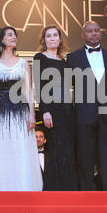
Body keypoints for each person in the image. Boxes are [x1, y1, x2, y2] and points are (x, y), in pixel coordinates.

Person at [0, 26, 42, 191]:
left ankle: (23, 188)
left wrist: (31, 114)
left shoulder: (23, 63)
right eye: (10, 35)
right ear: (1, 39)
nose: (14, 37)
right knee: (0, 151)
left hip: (20, 114)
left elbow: (29, 91)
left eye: (15, 35)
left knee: (20, 149)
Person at [67, 21, 107, 191]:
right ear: (83, 35)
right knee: (85, 158)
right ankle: (87, 197)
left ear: (101, 34)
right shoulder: (72, 58)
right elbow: (68, 86)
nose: (94, 33)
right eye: (90, 31)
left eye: (97, 30)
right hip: (83, 114)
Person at [33, 26, 78, 191]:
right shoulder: (40, 58)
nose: (52, 38)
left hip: (68, 110)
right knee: (55, 150)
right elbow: (39, 86)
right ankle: (55, 191)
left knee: (67, 151)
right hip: (52, 111)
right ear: (44, 40)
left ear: (60, 39)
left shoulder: (64, 61)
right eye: (48, 36)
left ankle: (69, 191)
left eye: (55, 35)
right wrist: (44, 111)